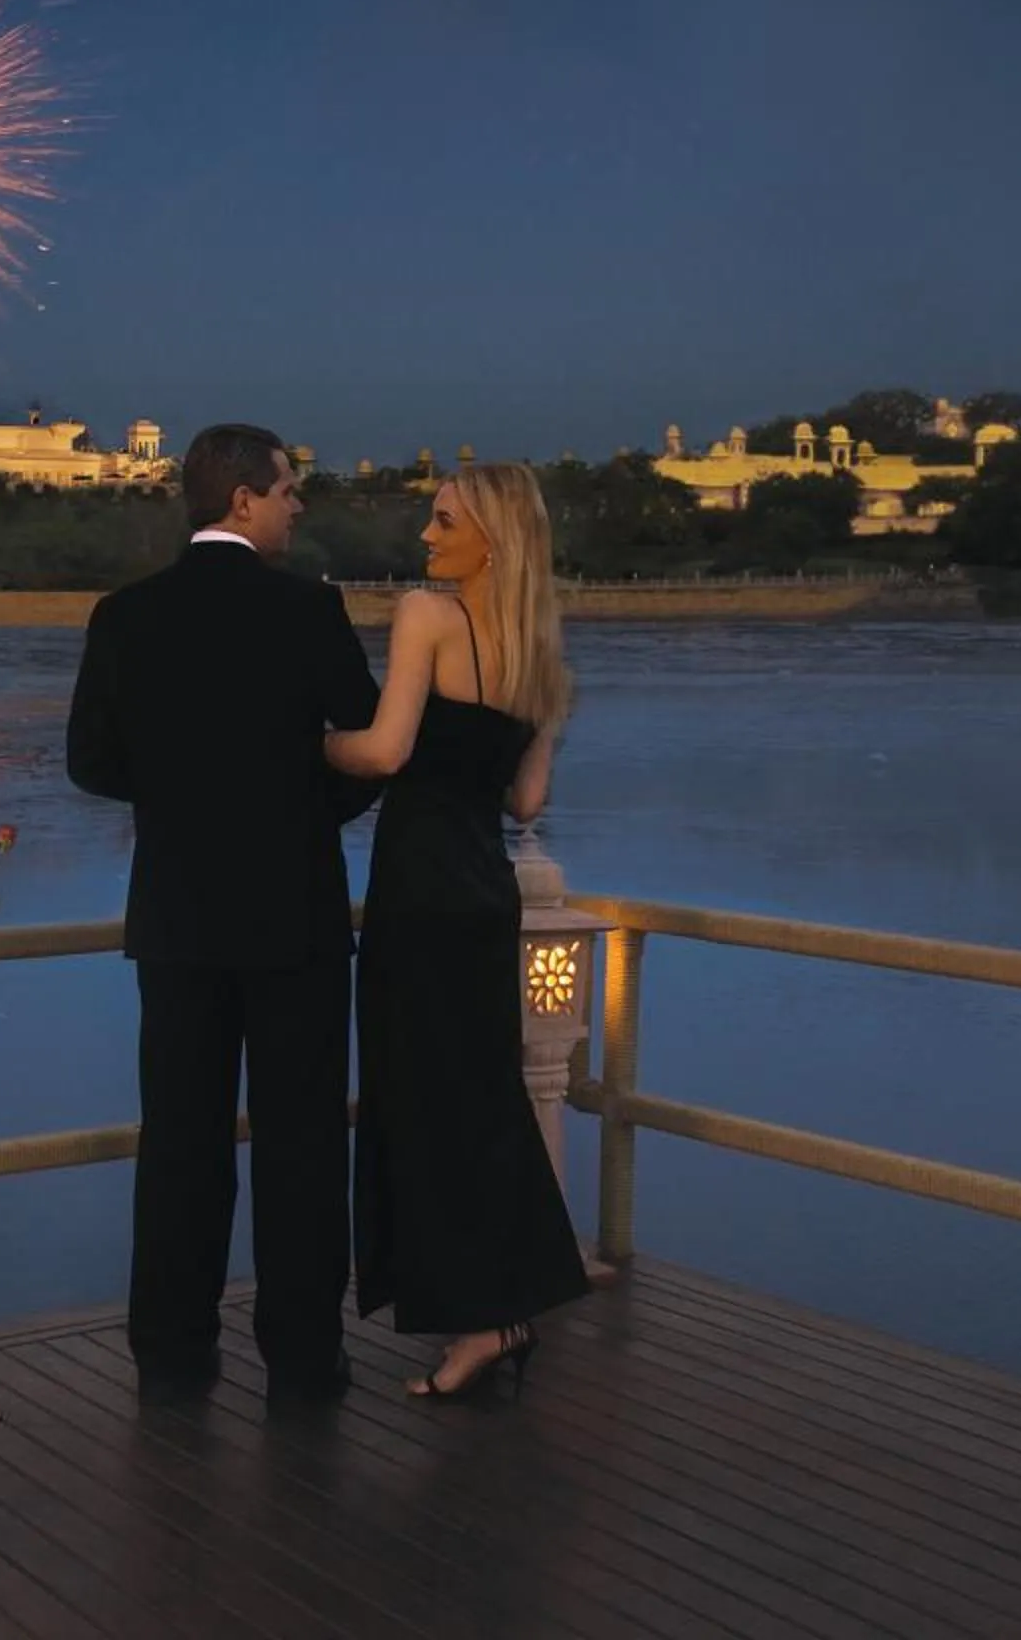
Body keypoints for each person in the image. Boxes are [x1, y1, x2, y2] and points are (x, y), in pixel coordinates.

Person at [65, 424, 382, 1405]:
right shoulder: (308, 610)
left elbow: (90, 763)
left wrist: (178, 802)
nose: (298, 505)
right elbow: (366, 744)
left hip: (177, 916)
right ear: (242, 498)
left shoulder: (124, 615)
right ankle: (299, 1357)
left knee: (181, 1142)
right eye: (288, 489)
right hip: (296, 914)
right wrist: (296, 805)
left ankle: (170, 1349)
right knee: (303, 1143)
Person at [324, 462, 589, 1397]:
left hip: (421, 892)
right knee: (480, 1100)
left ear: (491, 537)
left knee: (423, 1102)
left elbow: (386, 751)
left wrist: (310, 741)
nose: (426, 539)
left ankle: (482, 1322)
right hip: (485, 895)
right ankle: (505, 1307)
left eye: (443, 522)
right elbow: (526, 802)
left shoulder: (426, 617)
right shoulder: (540, 653)